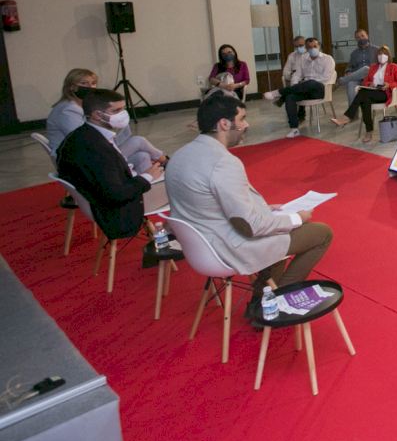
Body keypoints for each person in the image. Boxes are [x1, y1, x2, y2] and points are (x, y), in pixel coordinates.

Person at [166, 93, 333, 317]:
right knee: (321, 233)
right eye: (242, 119)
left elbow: (209, 203)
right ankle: (275, 300)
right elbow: (251, 226)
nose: (246, 125)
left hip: (200, 245)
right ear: (224, 124)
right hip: (228, 246)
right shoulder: (223, 162)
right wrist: (296, 218)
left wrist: (265, 210)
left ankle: (262, 295)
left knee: (276, 230)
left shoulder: (180, 155)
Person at [56, 89, 164, 242]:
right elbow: (116, 194)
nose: (123, 114)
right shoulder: (96, 150)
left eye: (123, 109)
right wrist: (147, 177)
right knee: (182, 189)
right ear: (97, 115)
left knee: (144, 158)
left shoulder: (84, 135)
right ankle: (174, 237)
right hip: (118, 212)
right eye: (116, 111)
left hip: (102, 199)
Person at [46, 68, 165, 172]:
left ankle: (144, 185)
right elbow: (85, 139)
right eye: (84, 83)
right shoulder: (67, 110)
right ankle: (165, 161)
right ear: (71, 86)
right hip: (79, 160)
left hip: (91, 153)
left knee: (142, 156)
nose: (90, 87)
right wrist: (109, 125)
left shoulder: (81, 104)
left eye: (93, 83)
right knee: (138, 141)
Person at [329, 45, 397, 142]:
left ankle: (348, 118)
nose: (382, 56)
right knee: (365, 99)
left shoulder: (393, 67)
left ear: (388, 56)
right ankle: (368, 131)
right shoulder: (373, 67)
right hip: (372, 92)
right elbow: (365, 82)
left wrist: (389, 85)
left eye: (384, 54)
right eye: (379, 54)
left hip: (385, 93)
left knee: (362, 94)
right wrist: (370, 84)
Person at [262, 37, 335, 139]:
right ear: (307, 49)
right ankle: (294, 129)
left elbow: (326, 77)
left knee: (311, 82)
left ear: (319, 46)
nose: (312, 49)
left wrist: (308, 82)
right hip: (305, 89)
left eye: (315, 46)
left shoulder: (328, 59)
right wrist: (295, 86)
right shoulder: (303, 59)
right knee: (290, 97)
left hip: (320, 89)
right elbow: (297, 75)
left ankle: (278, 93)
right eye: (309, 47)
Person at [336, 29, 378, 105]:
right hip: (358, 79)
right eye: (358, 37)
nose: (361, 38)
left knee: (366, 69)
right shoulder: (354, 53)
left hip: (372, 77)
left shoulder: (377, 50)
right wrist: (348, 71)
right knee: (350, 84)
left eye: (362, 36)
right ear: (356, 39)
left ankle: (342, 81)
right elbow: (349, 67)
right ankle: (353, 112)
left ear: (367, 36)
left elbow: (384, 64)